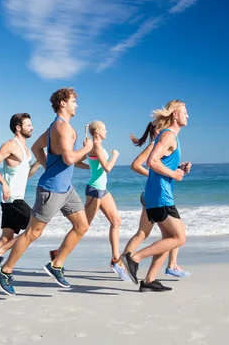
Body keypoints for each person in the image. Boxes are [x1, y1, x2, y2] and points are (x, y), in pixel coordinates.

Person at [0, 88, 93, 295]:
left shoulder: (62, 128)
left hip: (66, 189)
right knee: (33, 233)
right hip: (51, 190)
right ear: (63, 103)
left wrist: (50, 166)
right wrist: (88, 148)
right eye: (74, 101)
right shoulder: (60, 127)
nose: (77, 105)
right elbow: (69, 159)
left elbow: (38, 149)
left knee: (82, 226)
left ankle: (56, 265)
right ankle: (5, 270)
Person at [121, 100, 191, 292]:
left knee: (168, 237)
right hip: (160, 196)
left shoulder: (172, 137)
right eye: (185, 112)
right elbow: (151, 161)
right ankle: (133, 258)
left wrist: (178, 168)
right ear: (175, 115)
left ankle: (150, 280)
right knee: (179, 238)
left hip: (158, 194)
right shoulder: (168, 135)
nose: (188, 115)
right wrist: (174, 174)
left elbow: (161, 163)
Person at [50, 121, 129, 280]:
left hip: (102, 190)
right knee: (82, 227)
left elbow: (81, 163)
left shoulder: (95, 145)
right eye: (105, 128)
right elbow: (107, 168)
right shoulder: (96, 146)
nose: (107, 131)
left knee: (116, 221)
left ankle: (115, 260)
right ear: (98, 131)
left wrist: (92, 167)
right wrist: (115, 156)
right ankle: (57, 254)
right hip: (94, 191)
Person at [0, 113, 40, 285]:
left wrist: (38, 163)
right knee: (34, 229)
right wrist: (4, 183)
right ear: (18, 127)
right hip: (13, 199)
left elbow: (24, 176)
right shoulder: (11, 145)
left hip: (13, 199)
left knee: (6, 236)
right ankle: (1, 256)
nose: (32, 127)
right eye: (28, 125)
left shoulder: (25, 150)